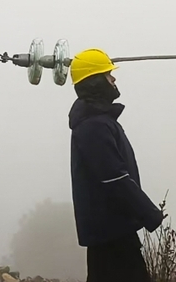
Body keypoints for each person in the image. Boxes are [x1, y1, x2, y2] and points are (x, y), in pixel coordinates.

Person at [68, 48, 165, 282]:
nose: (113, 79)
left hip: (110, 231)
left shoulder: (97, 122)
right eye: (108, 75)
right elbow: (114, 177)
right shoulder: (94, 126)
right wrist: (149, 213)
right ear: (95, 83)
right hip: (112, 232)